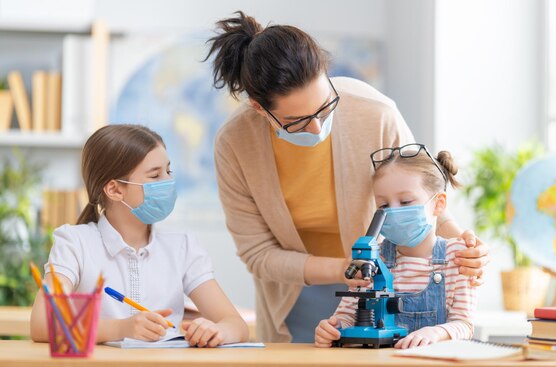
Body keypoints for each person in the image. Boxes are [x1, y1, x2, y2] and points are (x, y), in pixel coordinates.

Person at [206, 11, 488, 342]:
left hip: (385, 277)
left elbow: (421, 194)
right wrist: (347, 269)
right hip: (295, 293)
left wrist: (464, 250)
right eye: (296, 121)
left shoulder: (375, 112)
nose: (316, 127)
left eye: (325, 107)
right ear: (259, 109)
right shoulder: (235, 144)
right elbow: (258, 254)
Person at [30, 124, 248, 347]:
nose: (168, 181)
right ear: (114, 189)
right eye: (155, 175)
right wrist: (121, 328)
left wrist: (217, 331)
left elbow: (236, 325)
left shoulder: (182, 247)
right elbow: (42, 323)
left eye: (168, 171)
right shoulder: (74, 243)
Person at [315, 144, 475, 348]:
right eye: (383, 205)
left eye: (406, 201)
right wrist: (332, 329)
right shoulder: (374, 258)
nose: (393, 211)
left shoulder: (459, 257)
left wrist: (437, 332)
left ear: (438, 204)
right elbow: (346, 316)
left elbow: (464, 324)